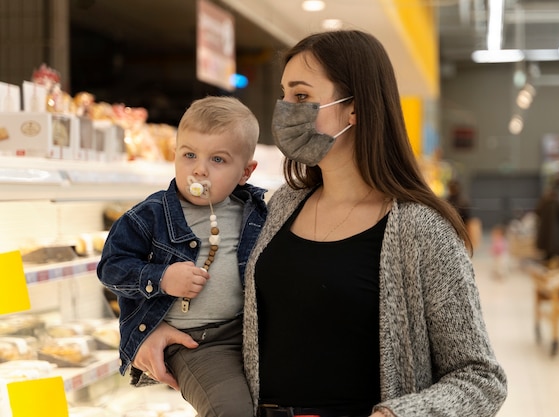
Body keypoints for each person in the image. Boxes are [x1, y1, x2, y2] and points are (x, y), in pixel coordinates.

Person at [132, 30, 507, 417]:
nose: (284, 110)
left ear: (354, 108)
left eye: (301, 96)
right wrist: (155, 331)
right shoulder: (277, 208)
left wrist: (398, 415)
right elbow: (220, 300)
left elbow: (480, 378)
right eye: (283, 96)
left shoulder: (422, 232)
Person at [97, 95, 267, 417]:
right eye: (190, 155)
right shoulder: (149, 215)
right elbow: (111, 267)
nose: (199, 170)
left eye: (218, 160)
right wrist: (161, 278)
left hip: (249, 332)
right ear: (174, 155)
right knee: (229, 409)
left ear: (245, 172)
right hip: (195, 342)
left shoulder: (256, 212)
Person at [534, 177, 559, 264]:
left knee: (548, 253)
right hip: (557, 232)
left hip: (545, 230)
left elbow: (537, 211)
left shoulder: (545, 198)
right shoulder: (558, 199)